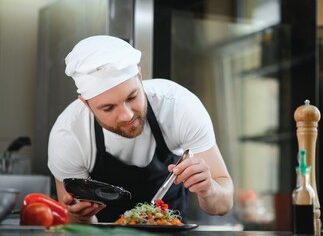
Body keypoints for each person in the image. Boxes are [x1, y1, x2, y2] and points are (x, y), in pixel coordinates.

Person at [48, 35, 234, 224]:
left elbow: (223, 204)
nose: (127, 115)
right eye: (108, 108)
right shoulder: (69, 135)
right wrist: (79, 215)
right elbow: (77, 227)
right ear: (86, 104)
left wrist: (208, 190)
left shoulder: (179, 107)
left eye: (132, 97)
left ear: (139, 75)